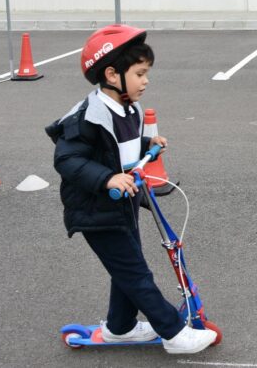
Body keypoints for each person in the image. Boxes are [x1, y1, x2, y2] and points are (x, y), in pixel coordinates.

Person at [46, 25, 218, 354]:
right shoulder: (87, 117)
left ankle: (120, 328)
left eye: (146, 73)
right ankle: (174, 333)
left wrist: (146, 144)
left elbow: (119, 149)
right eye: (140, 73)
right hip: (97, 211)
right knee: (136, 273)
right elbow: (67, 159)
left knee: (127, 268)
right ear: (112, 74)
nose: (146, 80)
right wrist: (107, 179)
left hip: (122, 206)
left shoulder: (128, 109)